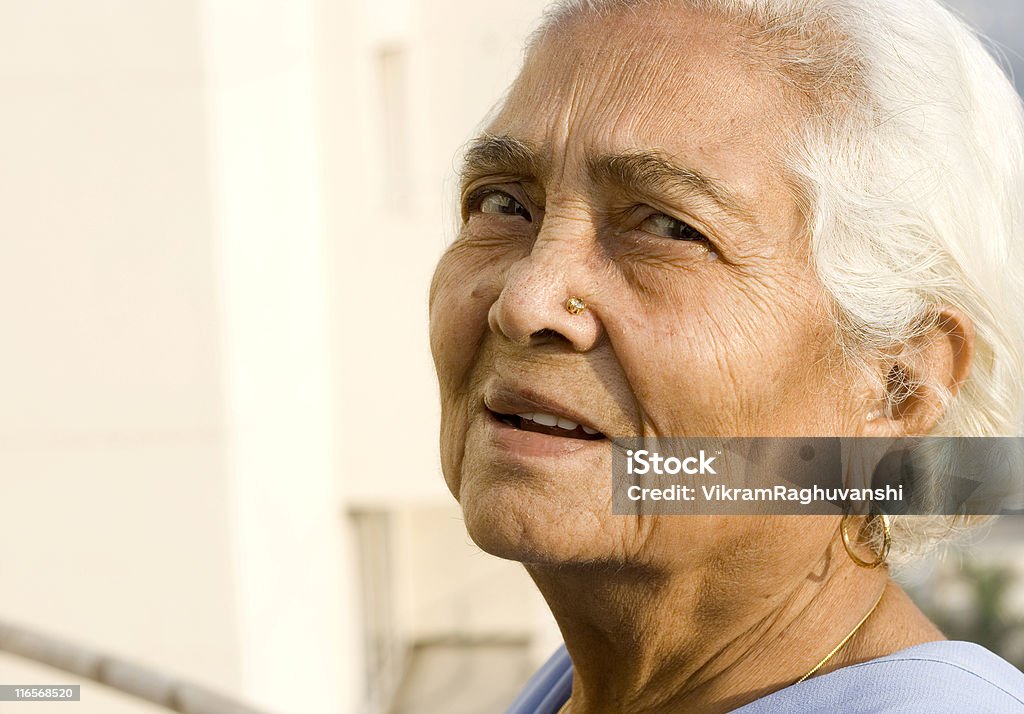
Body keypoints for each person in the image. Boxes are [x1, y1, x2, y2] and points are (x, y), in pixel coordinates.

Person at [428, 0, 1024, 711]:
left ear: (897, 385)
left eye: (667, 226)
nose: (525, 302)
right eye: (503, 205)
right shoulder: (585, 685)